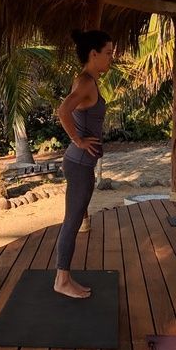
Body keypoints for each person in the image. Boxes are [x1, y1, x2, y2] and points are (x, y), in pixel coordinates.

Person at [54, 29, 113, 299]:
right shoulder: (86, 82)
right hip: (78, 163)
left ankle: (64, 277)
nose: (111, 58)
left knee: (74, 219)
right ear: (94, 54)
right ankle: (61, 279)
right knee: (72, 220)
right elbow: (63, 110)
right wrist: (78, 140)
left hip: (81, 164)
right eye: (108, 53)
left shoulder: (87, 80)